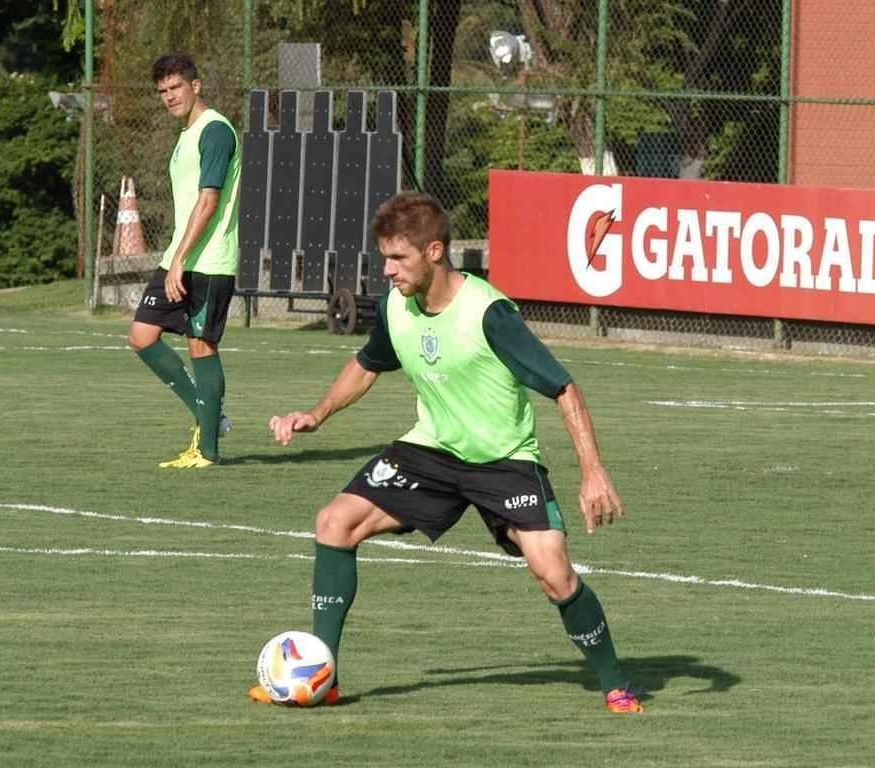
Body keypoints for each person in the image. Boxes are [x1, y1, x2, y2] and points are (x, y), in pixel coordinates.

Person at [249, 192, 643, 714]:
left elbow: (563, 388)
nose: (387, 270)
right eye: (383, 258)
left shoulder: (489, 314)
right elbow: (369, 363)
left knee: (554, 574)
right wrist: (316, 415)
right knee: (334, 523)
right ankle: (326, 676)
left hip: (504, 461)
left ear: (434, 251)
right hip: (431, 452)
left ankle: (615, 684)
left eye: (398, 258)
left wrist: (593, 472)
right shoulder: (396, 306)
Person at [127, 53, 241, 468]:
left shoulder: (215, 132)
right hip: (182, 255)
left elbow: (209, 201)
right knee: (142, 335)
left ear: (196, 85)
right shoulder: (186, 134)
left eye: (176, 87)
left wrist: (180, 259)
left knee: (201, 344)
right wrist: (176, 258)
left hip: (207, 261)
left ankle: (208, 450)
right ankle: (208, 415)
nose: (169, 96)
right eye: (163, 91)